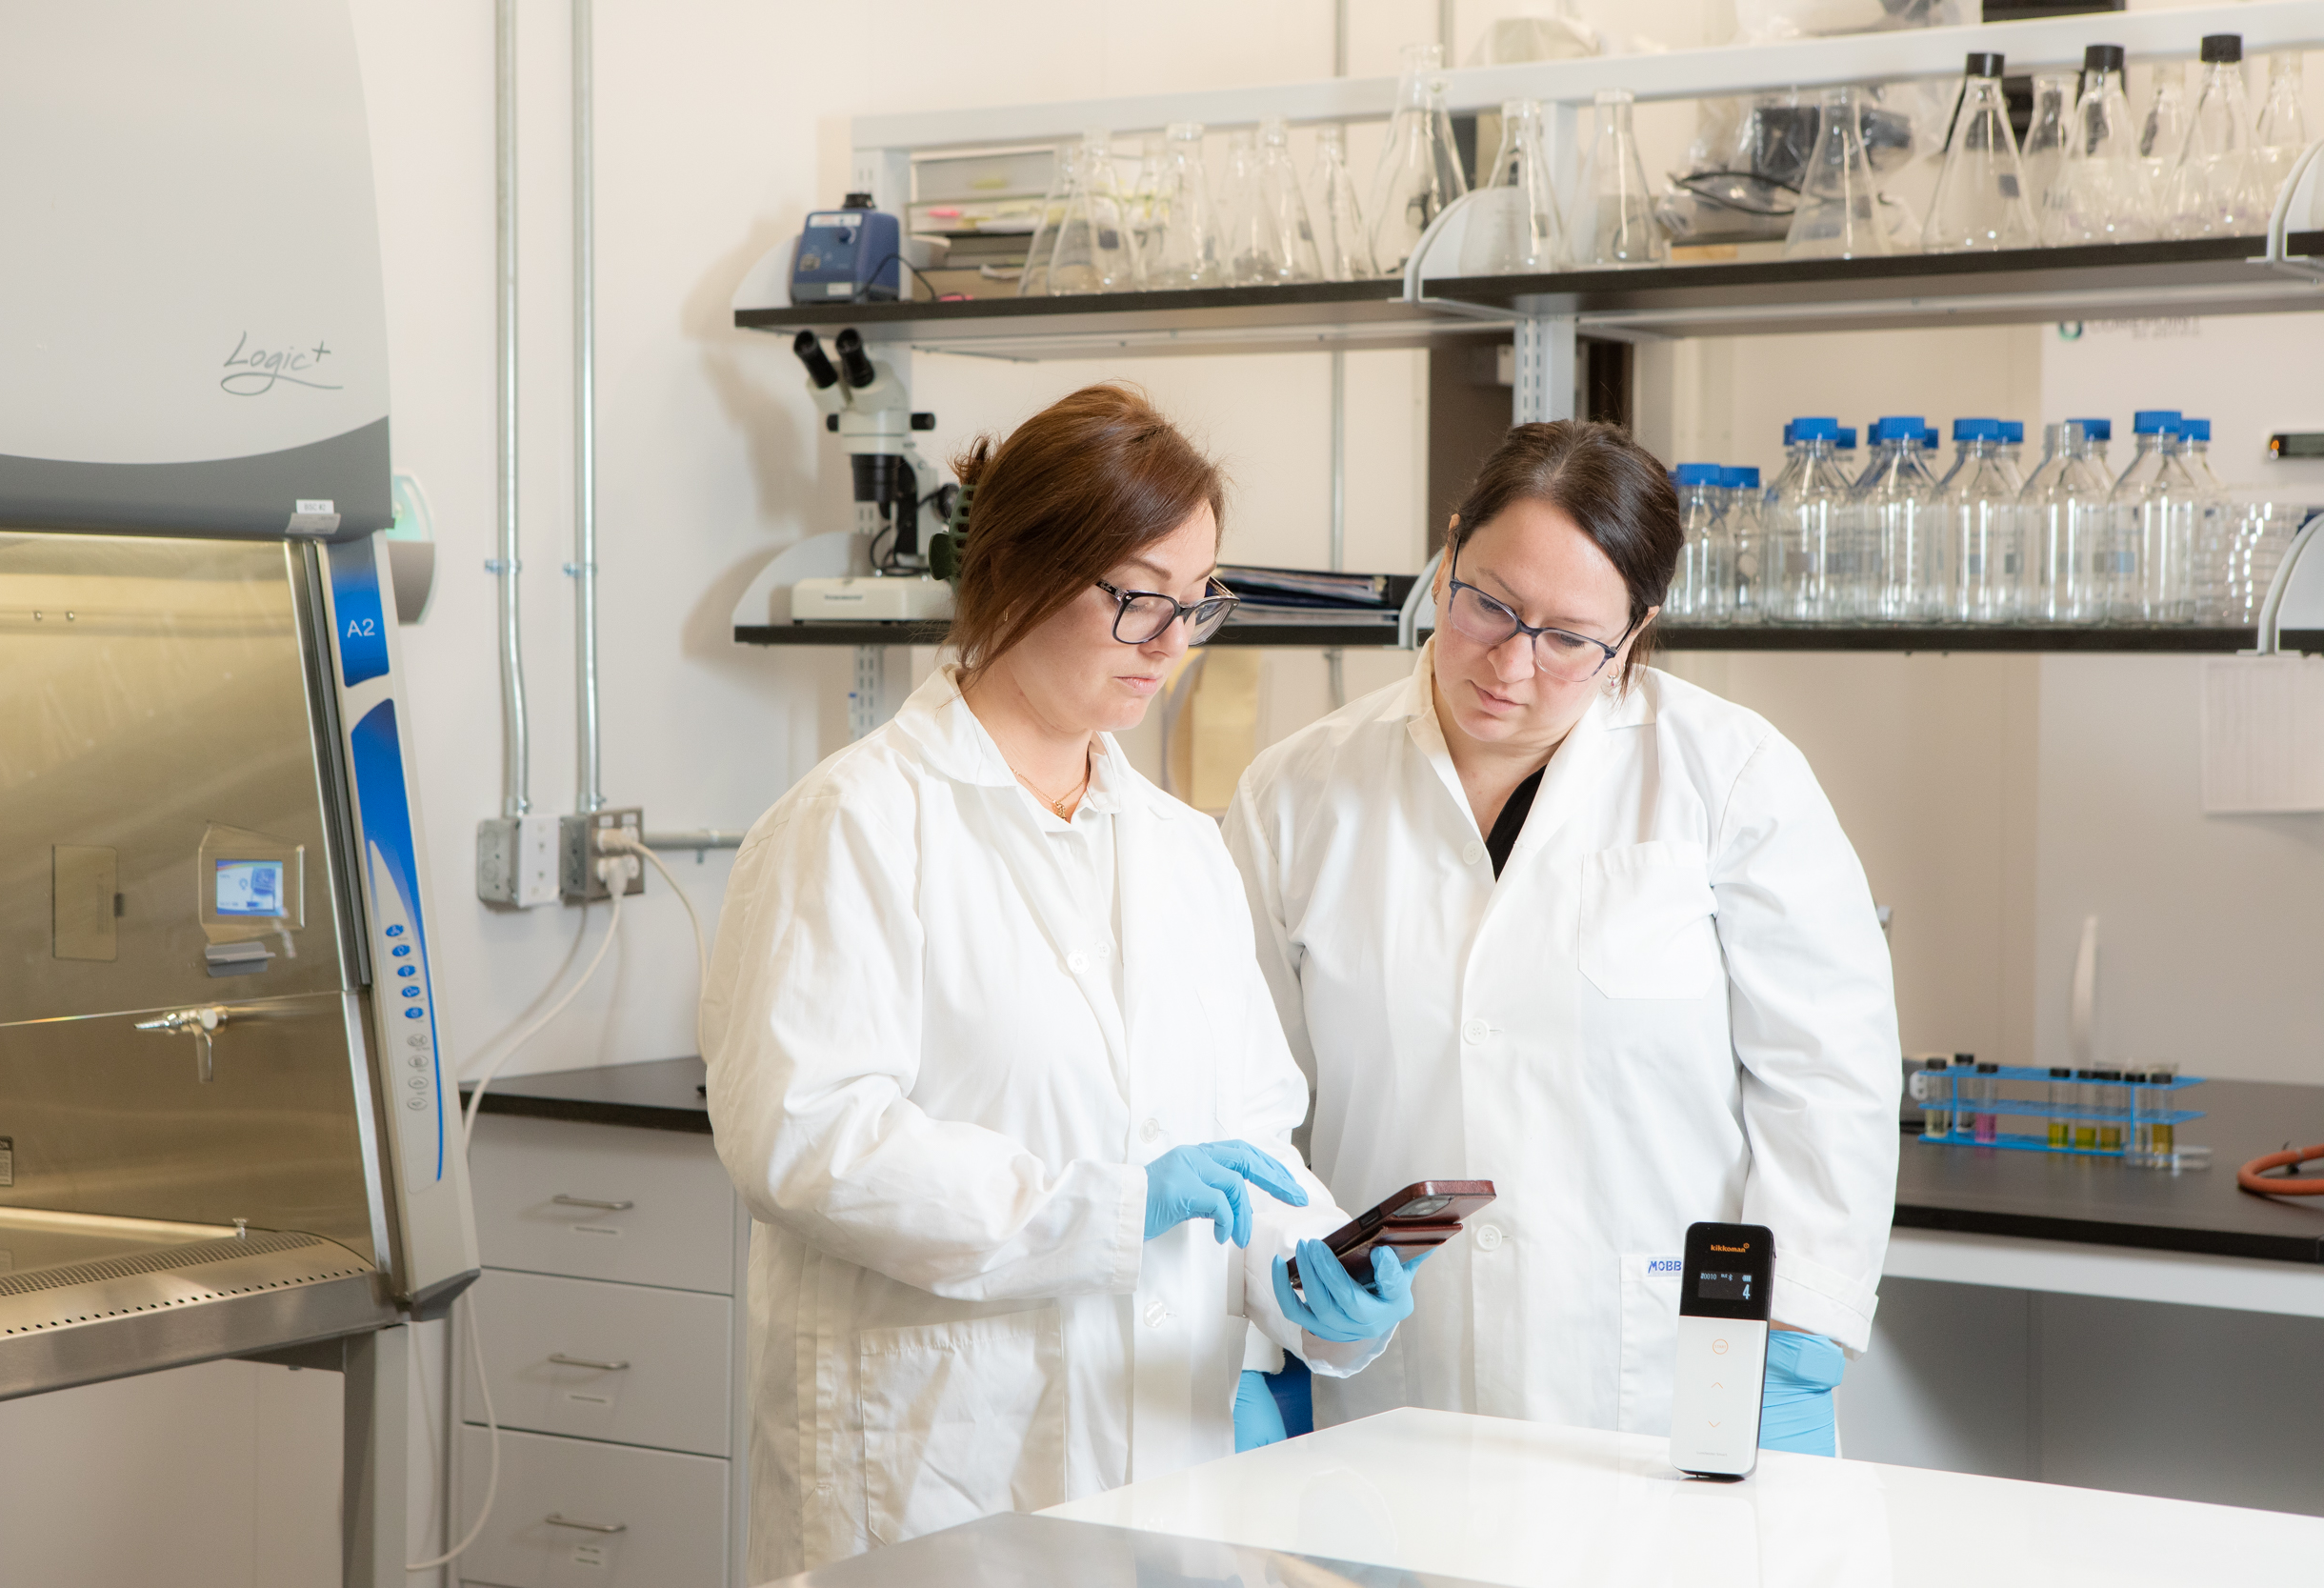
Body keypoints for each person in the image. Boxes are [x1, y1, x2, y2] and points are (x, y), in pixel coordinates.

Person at [702, 383, 1420, 1582]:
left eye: (1195, 604)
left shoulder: (1183, 849)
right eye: (1136, 596)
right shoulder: (858, 822)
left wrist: (1316, 1274)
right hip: (937, 1470)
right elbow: (806, 1137)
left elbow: (1246, 1134)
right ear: (1021, 569)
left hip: (1162, 1457)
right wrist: (1109, 1205)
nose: (1170, 643)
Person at [1223, 420, 1899, 1456]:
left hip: (1662, 1382)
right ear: (1448, 554)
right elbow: (1247, 1101)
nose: (1510, 662)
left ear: (1635, 632)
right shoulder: (1295, 793)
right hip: (1394, 1388)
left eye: (1569, 637)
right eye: (1487, 602)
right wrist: (1270, 1317)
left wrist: (1798, 1332)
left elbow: (1828, 1076)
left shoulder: (1730, 776)